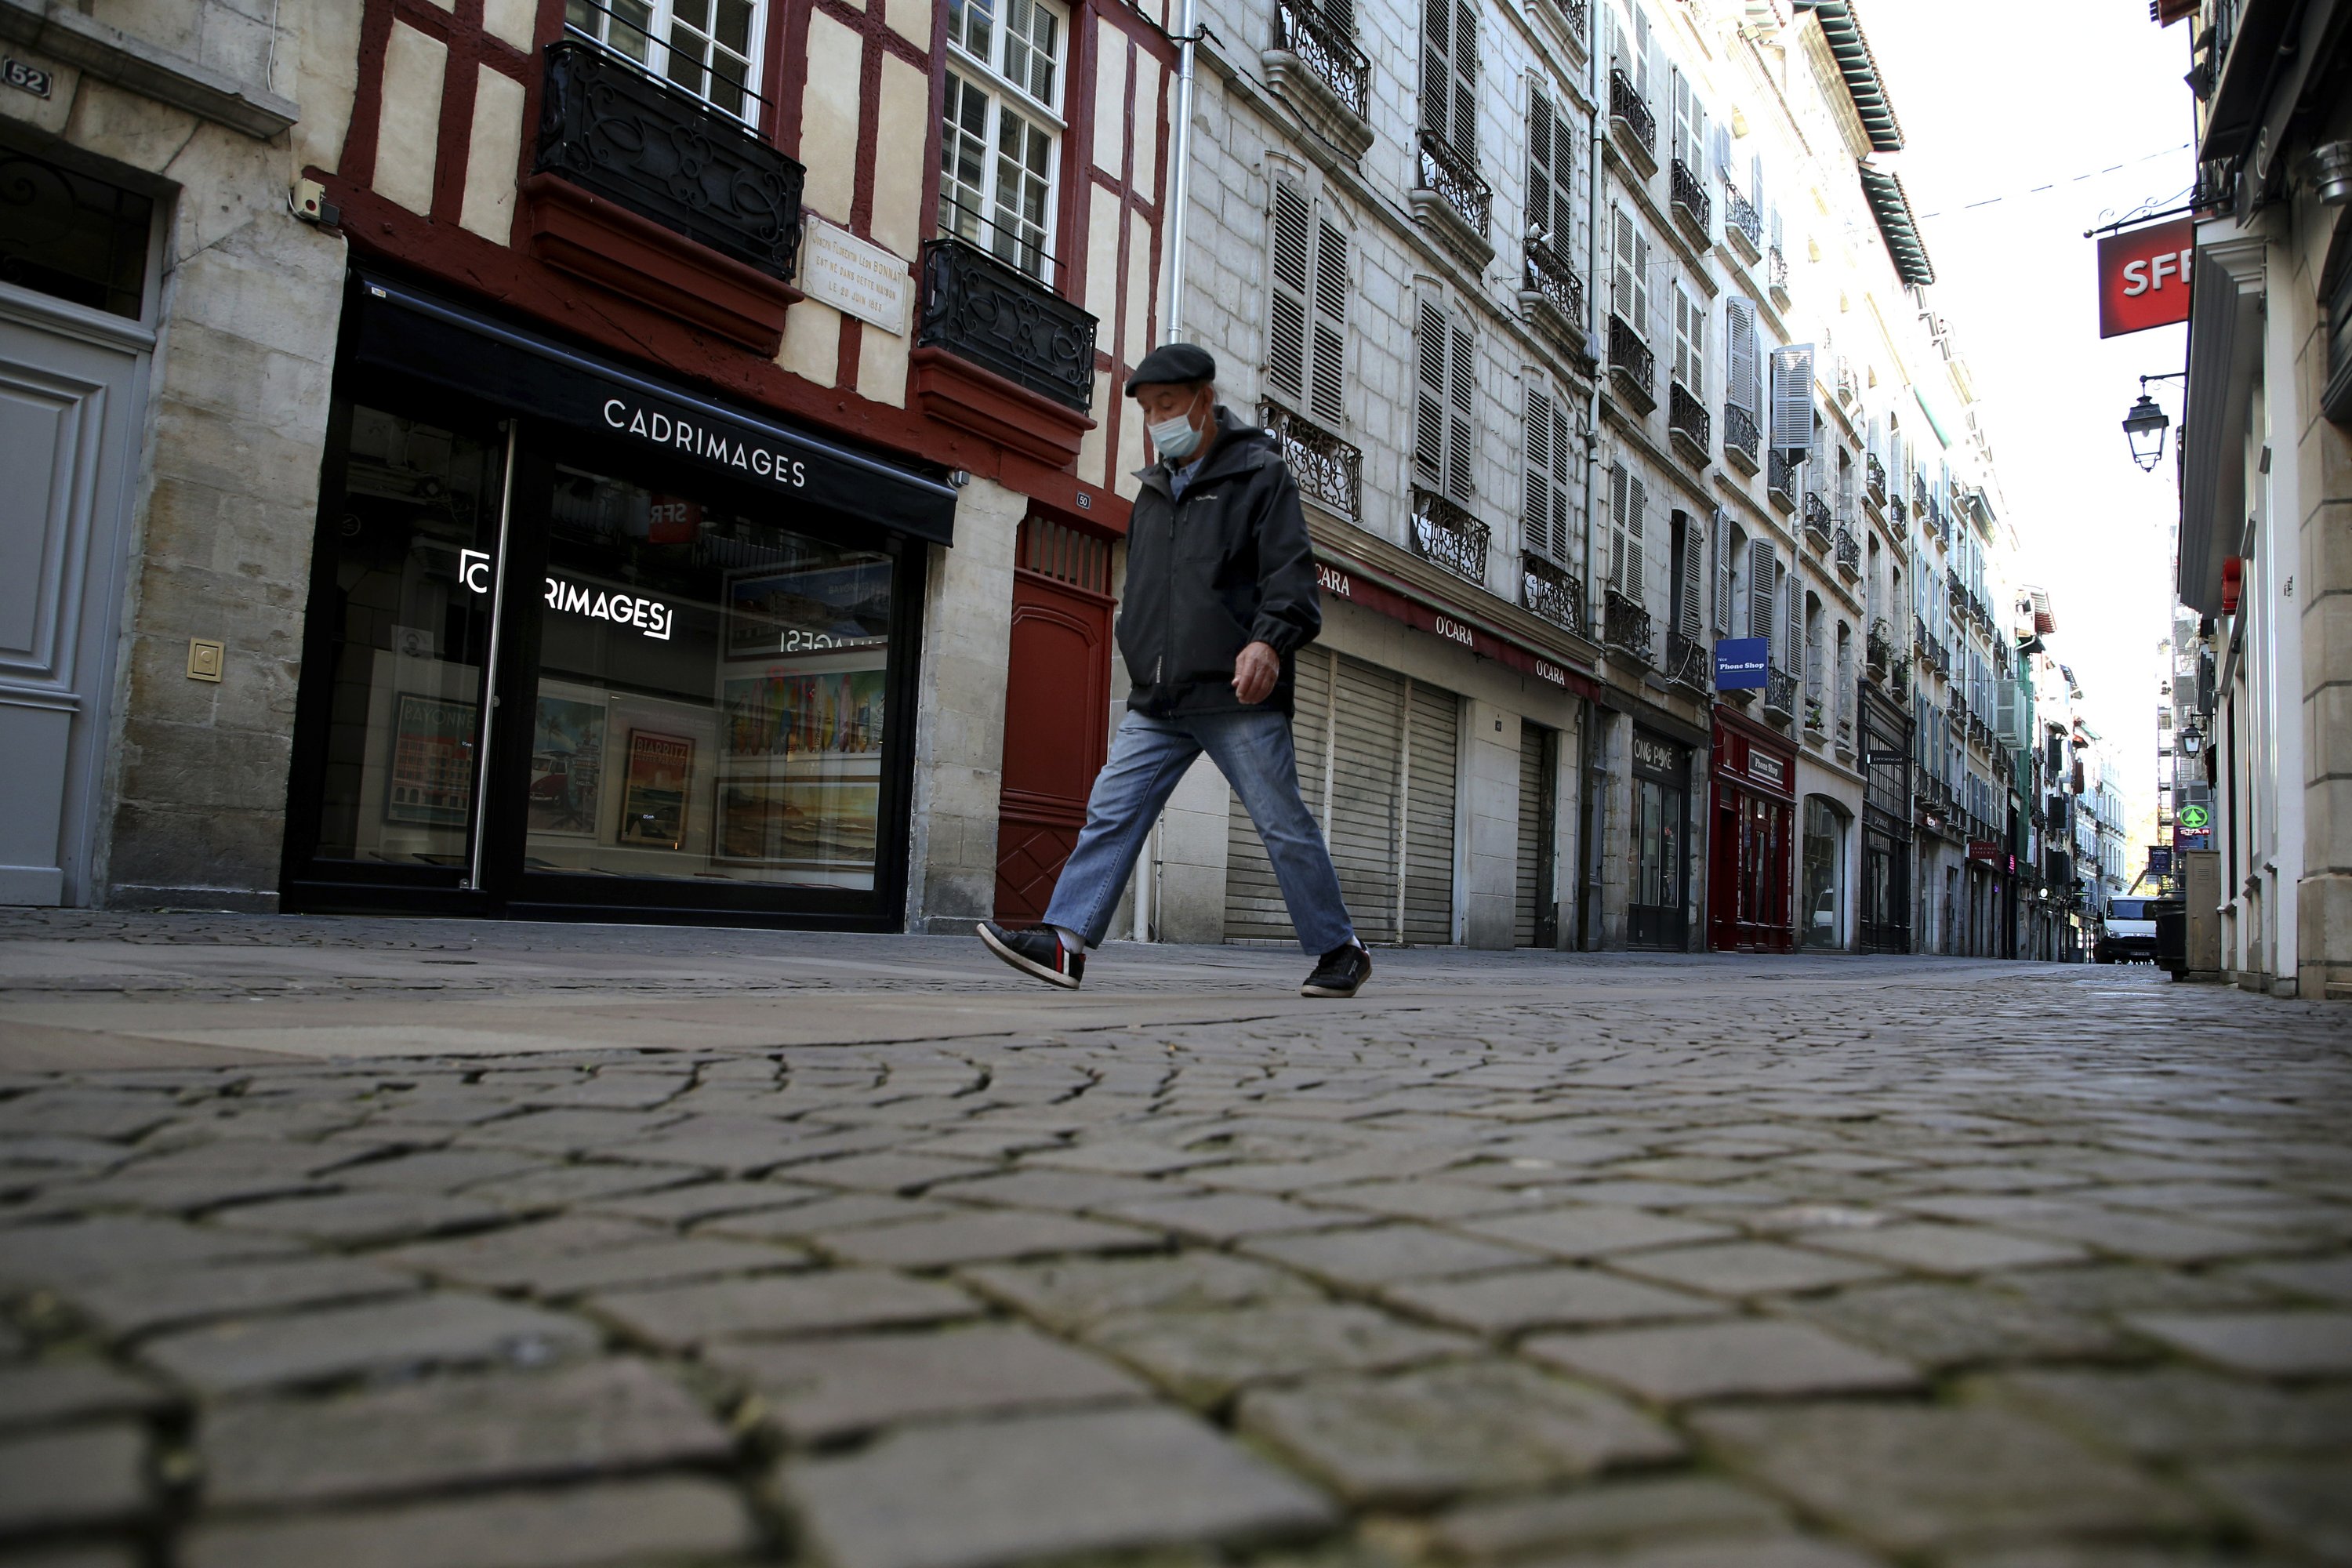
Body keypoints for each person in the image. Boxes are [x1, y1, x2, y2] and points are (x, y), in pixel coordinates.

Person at [978, 344, 1373, 999]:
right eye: (1147, 409)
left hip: (1235, 691)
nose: (1157, 418)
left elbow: (1292, 583)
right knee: (1112, 811)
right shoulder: (1155, 489)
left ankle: (1341, 949)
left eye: (1168, 405)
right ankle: (1065, 944)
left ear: (1203, 401)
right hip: (1158, 695)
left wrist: (1268, 644)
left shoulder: (1260, 475)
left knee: (1282, 824)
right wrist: (1136, 642)